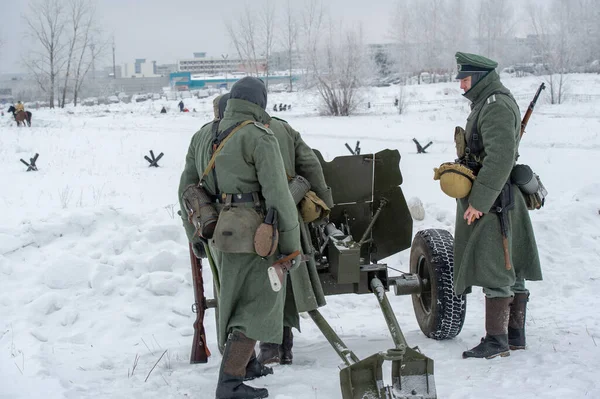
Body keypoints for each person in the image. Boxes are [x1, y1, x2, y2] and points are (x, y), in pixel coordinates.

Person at [178, 77, 302, 399]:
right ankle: (231, 383)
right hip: (254, 237)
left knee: (230, 301)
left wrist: (194, 237)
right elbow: (278, 195)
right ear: (260, 102)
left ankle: (247, 366)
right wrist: (290, 244)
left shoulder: (203, 135)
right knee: (256, 305)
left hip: (217, 233)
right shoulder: (259, 136)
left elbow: (185, 190)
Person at [452, 51, 542, 359]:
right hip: (499, 196)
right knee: (510, 265)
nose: (462, 86)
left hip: (494, 200)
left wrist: (478, 201)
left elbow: (500, 158)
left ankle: (497, 339)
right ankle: (514, 335)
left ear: (477, 78)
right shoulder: (487, 102)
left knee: (497, 266)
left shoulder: (495, 105)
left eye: (465, 80)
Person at [256, 112, 333, 366]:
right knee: (285, 273)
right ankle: (284, 348)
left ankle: (267, 347)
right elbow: (310, 164)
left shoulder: (228, 130)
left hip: (252, 218)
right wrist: (326, 202)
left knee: (258, 279)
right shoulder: (283, 128)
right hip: (288, 214)